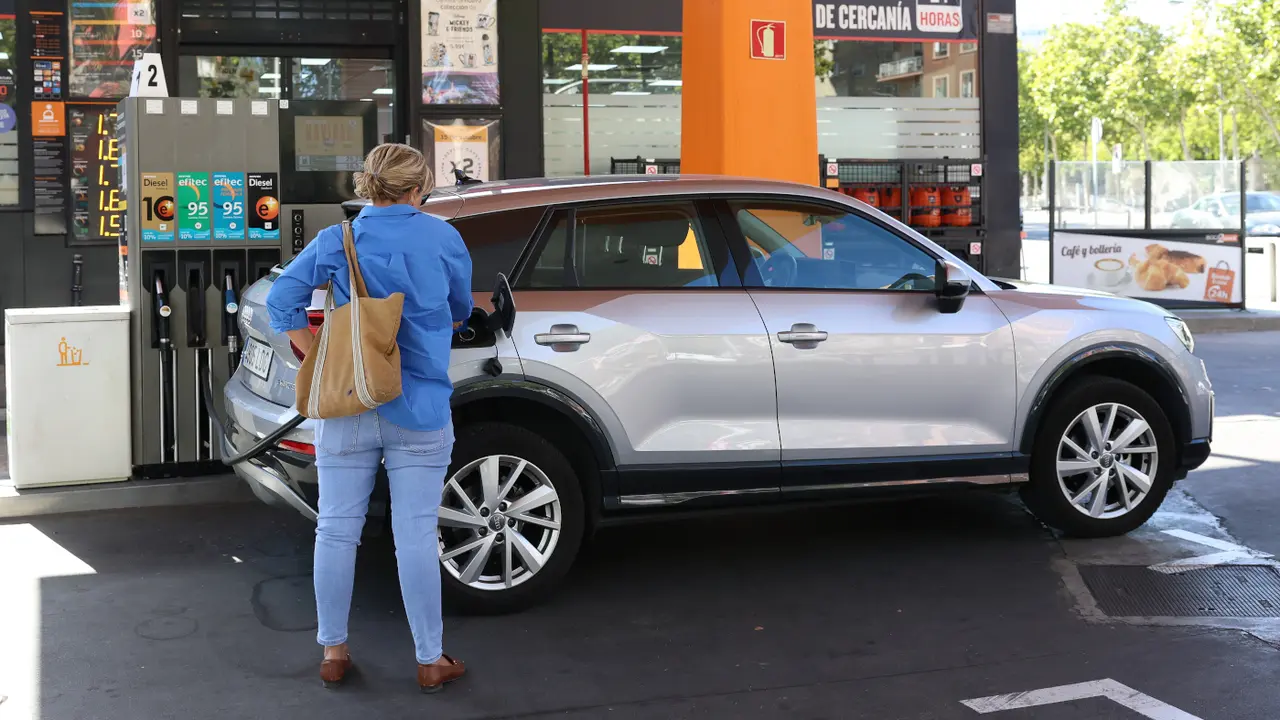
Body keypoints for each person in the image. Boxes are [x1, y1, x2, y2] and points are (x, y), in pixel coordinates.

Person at [265, 143, 474, 693]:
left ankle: (333, 651)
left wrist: (312, 353)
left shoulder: (340, 238)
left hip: (350, 402)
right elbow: (458, 311)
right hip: (419, 405)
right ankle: (430, 659)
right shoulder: (443, 237)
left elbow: (282, 298)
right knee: (414, 535)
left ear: (369, 186)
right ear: (418, 187)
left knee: (335, 530)